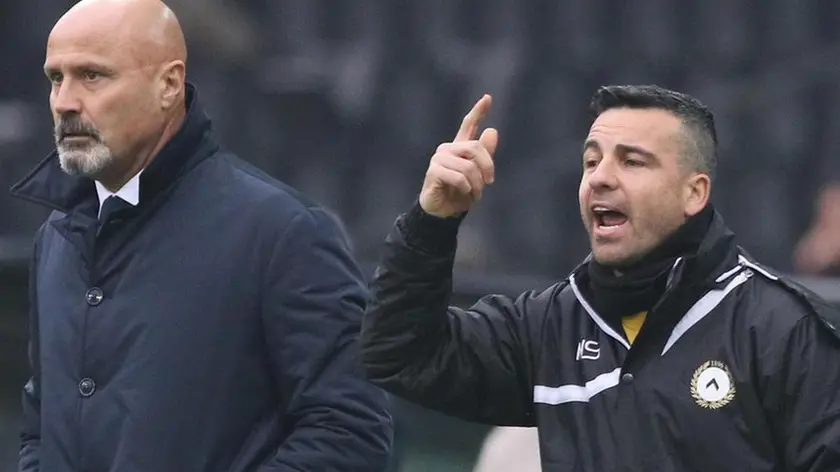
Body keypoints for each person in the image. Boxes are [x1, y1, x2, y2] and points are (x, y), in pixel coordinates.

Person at [360, 85, 840, 471]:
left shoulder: (781, 329)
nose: (601, 178)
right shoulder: (548, 325)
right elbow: (401, 355)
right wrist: (432, 222)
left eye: (632, 161)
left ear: (694, 193)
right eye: (592, 161)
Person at [10, 1, 393, 471]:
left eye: (93, 76)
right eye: (56, 78)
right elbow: (40, 429)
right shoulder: (56, 239)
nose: (65, 101)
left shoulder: (283, 233)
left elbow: (351, 434)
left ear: (169, 85)